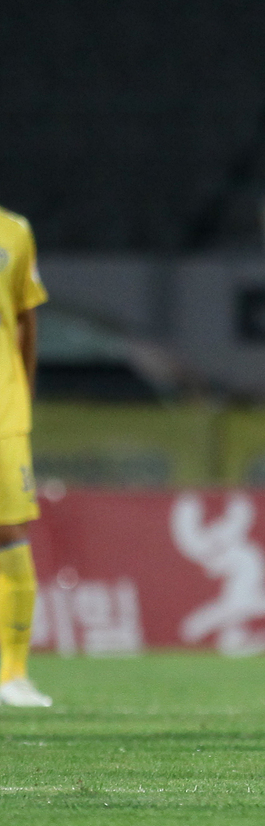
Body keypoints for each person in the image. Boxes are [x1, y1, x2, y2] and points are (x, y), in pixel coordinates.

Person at [0, 208, 48, 708]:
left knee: (9, 531)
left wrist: (24, 395)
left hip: (3, 413)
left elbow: (24, 319)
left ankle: (11, 673)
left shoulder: (13, 232)